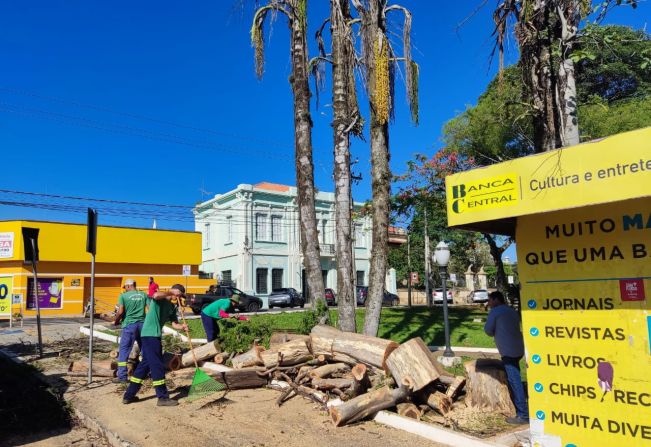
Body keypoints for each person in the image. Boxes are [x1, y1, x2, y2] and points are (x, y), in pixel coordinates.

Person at [122, 284, 188, 407]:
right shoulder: (160, 299)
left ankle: (128, 395)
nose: (179, 298)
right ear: (175, 291)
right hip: (149, 334)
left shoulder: (172, 307)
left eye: (181, 296)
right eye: (179, 295)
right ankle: (162, 397)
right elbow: (155, 295)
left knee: (144, 366)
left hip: (155, 335)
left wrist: (182, 327)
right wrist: (171, 292)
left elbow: (174, 323)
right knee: (157, 365)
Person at [484, 290, 529, 425]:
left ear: (496, 300)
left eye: (490, 300)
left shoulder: (495, 312)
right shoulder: (511, 310)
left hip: (508, 351)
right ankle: (520, 404)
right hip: (518, 348)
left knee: (514, 380)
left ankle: (523, 414)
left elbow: (488, 330)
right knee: (514, 376)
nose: (489, 303)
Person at [113, 279, 147, 383]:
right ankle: (145, 373)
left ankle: (122, 377)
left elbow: (120, 311)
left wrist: (116, 321)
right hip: (142, 325)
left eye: (125, 287)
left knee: (124, 350)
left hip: (129, 325)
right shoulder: (143, 295)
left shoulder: (123, 296)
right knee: (144, 349)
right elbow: (150, 309)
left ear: (128, 286)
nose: (125, 289)